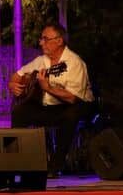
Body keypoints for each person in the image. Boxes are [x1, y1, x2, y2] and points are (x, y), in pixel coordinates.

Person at [7, 22, 94, 178]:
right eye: (41, 39)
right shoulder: (41, 61)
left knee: (70, 115)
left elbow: (73, 97)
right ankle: (16, 162)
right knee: (19, 112)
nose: (41, 43)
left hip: (74, 105)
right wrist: (12, 84)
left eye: (45, 39)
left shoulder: (74, 62)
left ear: (59, 41)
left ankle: (55, 165)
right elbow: (17, 75)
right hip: (48, 106)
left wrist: (47, 88)